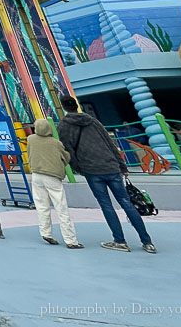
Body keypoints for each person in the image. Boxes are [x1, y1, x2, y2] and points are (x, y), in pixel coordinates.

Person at [56, 96, 156, 253]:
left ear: (63, 107)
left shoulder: (63, 126)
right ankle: (147, 241)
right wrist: (121, 165)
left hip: (91, 169)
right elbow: (110, 143)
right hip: (111, 165)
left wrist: (78, 168)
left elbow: (68, 149)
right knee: (126, 203)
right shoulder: (93, 121)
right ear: (77, 105)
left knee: (106, 205)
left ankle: (120, 241)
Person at [26, 118, 83, 249]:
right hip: (52, 176)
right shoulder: (55, 143)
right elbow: (66, 157)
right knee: (61, 208)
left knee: (41, 206)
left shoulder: (31, 139)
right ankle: (71, 240)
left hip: (36, 175)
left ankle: (46, 233)